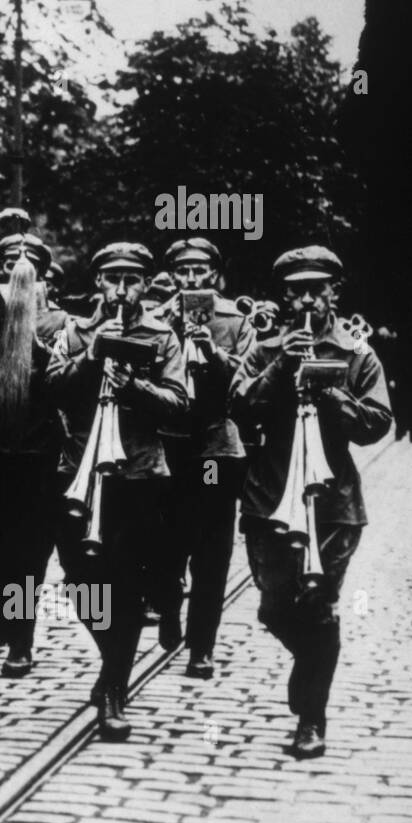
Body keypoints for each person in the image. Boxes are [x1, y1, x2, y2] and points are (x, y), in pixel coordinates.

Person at [229, 246, 391, 758]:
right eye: (296, 290)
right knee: (276, 608)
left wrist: (329, 391)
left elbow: (378, 425)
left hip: (332, 503)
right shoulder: (264, 349)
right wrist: (281, 365)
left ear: (332, 294)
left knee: (318, 607)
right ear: (285, 294)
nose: (305, 299)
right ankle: (313, 670)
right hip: (270, 497)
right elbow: (238, 406)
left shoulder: (357, 354)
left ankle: (311, 716)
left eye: (315, 290)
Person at [46, 242, 187, 742]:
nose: (122, 289)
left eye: (132, 280)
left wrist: (132, 387)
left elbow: (178, 403)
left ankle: (112, 690)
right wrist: (92, 356)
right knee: (83, 585)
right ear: (99, 282)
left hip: (140, 477)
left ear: (146, 285)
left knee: (126, 589)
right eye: (112, 279)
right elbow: (52, 386)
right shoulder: (74, 330)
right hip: (79, 473)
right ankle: (113, 668)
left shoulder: (164, 336)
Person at [154, 238, 253, 676]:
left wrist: (213, 352)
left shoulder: (236, 321)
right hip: (167, 442)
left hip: (214, 445)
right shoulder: (155, 320)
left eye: (200, 270)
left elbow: (251, 382)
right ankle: (168, 601)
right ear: (172, 275)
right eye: (183, 271)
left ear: (214, 273)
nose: (192, 278)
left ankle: (202, 647)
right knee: (167, 540)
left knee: (212, 546)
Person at [0, 233, 68, 678]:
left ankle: (20, 640)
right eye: (10, 268)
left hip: (38, 456)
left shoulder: (60, 324)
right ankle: (1, 612)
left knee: (28, 555)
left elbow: (66, 385)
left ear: (43, 280)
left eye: (28, 271)